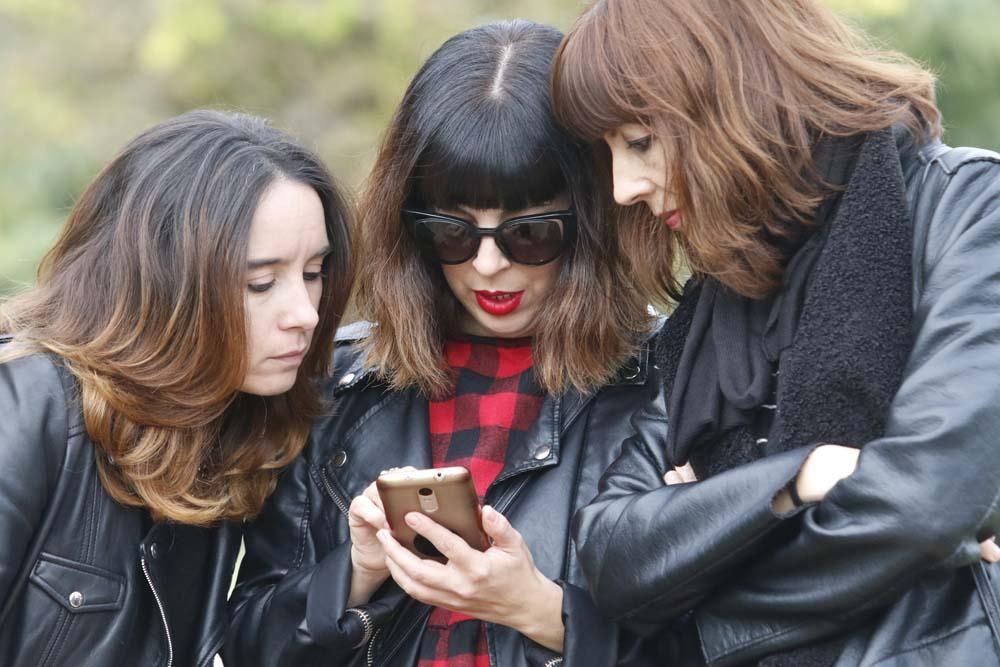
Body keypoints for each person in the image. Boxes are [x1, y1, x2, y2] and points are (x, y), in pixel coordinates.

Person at [549, 0, 1000, 665]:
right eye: (608, 153)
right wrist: (801, 476)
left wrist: (697, 603)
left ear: (737, 92)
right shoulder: (715, 304)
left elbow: (921, 506)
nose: (622, 188)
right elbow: (614, 558)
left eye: (640, 141)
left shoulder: (967, 211)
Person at [225, 19, 660, 667]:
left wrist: (541, 610)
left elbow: (731, 636)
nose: (488, 266)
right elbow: (246, 643)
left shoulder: (670, 381)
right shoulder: (333, 384)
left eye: (529, 233)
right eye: (453, 231)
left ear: (596, 216)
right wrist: (355, 572)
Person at [0, 109, 353, 666]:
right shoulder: (25, 402)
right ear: (163, 284)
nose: (305, 314)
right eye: (260, 282)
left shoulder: (224, 434)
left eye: (313, 273)